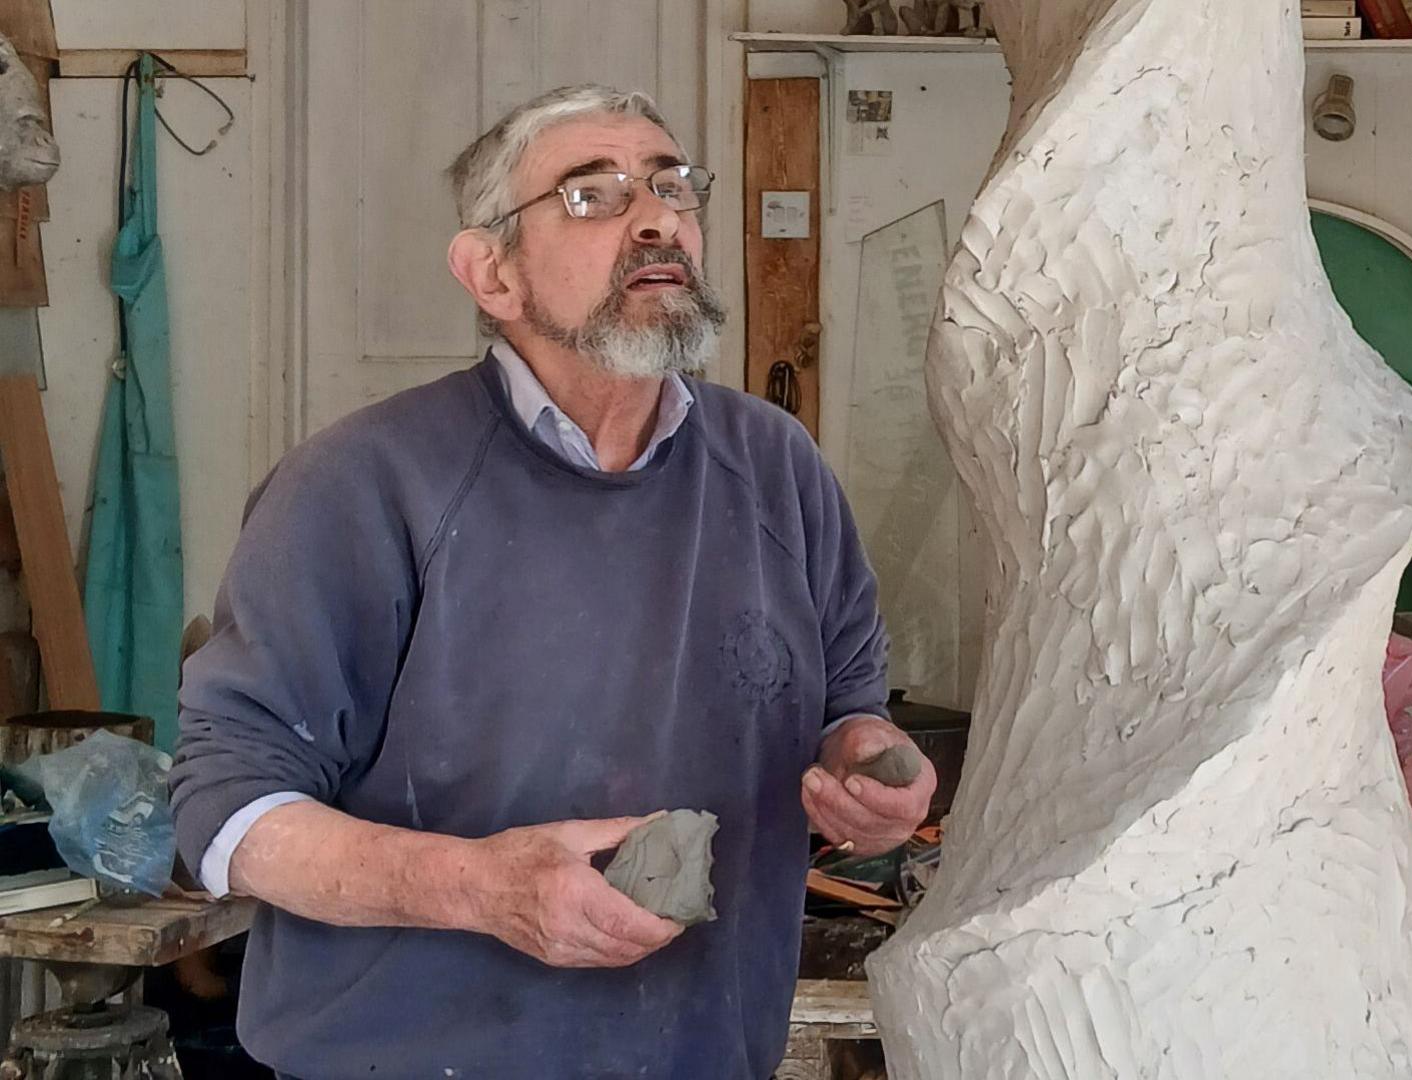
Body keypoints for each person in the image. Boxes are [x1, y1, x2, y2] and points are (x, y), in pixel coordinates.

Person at [168, 84, 935, 1079]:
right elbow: (226, 817)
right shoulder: (359, 486)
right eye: (592, 194)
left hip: (707, 1052)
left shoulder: (776, 467)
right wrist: (477, 887)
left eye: (671, 185)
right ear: (490, 270)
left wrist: (872, 767)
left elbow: (849, 710)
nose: (658, 215)